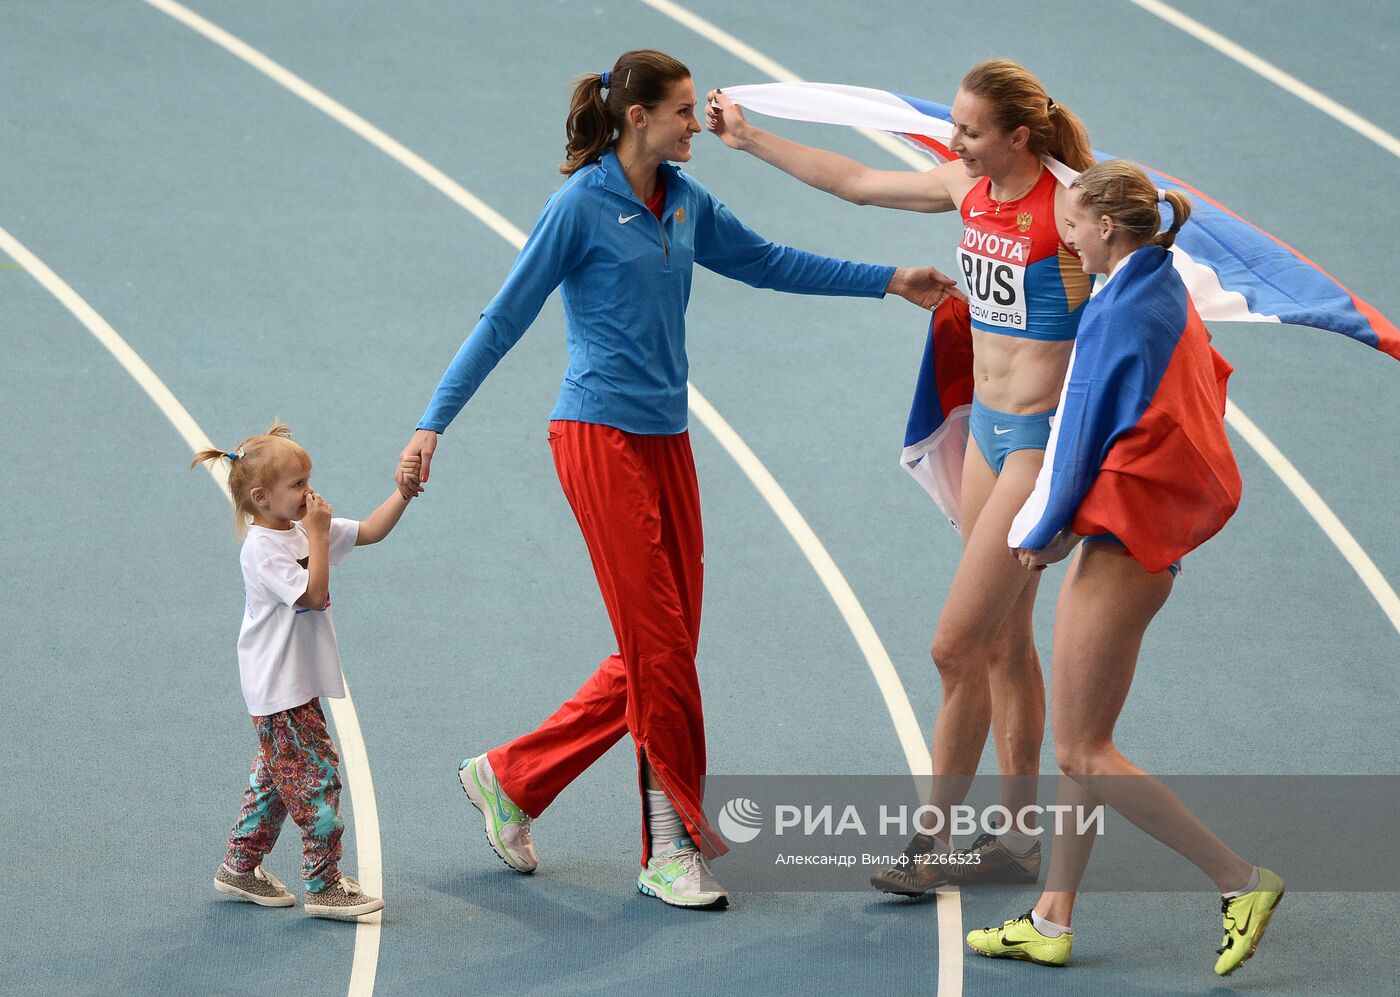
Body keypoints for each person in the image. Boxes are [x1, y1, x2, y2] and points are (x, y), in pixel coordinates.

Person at [396, 49, 960, 911]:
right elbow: (504, 316)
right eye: (686, 111)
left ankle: (510, 776)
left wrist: (887, 281)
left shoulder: (687, 201)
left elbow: (770, 261)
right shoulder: (579, 207)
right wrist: (433, 421)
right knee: (662, 651)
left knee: (661, 651)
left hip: (666, 442)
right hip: (595, 438)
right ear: (639, 119)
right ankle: (669, 846)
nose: (698, 123)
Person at [708, 60, 1095, 895]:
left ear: (1019, 136)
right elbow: (854, 182)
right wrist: (749, 140)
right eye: (955, 127)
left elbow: (1148, 275)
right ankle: (1022, 835)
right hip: (985, 436)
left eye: (969, 131)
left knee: (952, 644)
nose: (953, 141)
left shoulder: (1070, 205)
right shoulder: (968, 187)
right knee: (999, 638)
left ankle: (929, 843)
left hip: (1034, 447)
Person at [964, 161, 1282, 976]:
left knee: (1083, 753)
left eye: (1071, 222)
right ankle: (1050, 916)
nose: (1061, 233)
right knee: (1088, 739)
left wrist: (1050, 527)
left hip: (1124, 541)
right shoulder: (1161, 284)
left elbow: (1080, 431)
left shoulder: (1115, 311)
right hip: (1144, 530)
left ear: (1107, 228)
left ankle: (1238, 880)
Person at [194, 423, 418, 920]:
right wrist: (317, 535)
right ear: (260, 497)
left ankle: (239, 865)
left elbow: (371, 531)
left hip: (292, 686)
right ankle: (324, 882)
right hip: (279, 687)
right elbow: (313, 598)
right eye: (297, 485)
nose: (309, 492)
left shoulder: (297, 529)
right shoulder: (261, 551)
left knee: (276, 779)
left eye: (307, 479)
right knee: (317, 779)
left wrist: (401, 493)